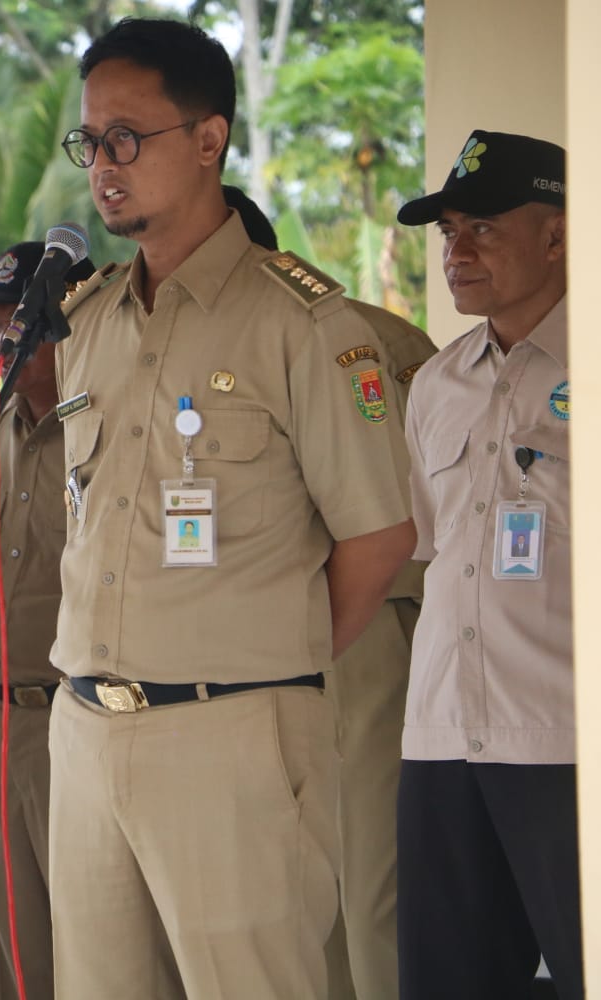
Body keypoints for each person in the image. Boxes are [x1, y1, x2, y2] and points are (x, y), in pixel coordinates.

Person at [48, 19, 415, 999]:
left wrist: (268, 658)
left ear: (208, 140)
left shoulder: (305, 325)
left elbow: (379, 535)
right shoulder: (83, 327)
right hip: (85, 728)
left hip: (234, 732)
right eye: (91, 140)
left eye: (129, 135)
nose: (104, 164)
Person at [225, 183, 437, 1000]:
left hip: (357, 622)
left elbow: (403, 516)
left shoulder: (352, 336)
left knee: (365, 875)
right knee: (285, 885)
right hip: (251, 645)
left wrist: (322, 633)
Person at [395, 130, 575, 999]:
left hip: (569, 739)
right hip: (441, 740)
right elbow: (430, 550)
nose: (457, 253)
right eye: (448, 232)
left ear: (559, 234)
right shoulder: (436, 384)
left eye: (484, 230)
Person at [0, 240, 93, 1000]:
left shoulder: (109, 423)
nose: (3, 342)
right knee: (16, 945)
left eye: (22, 325)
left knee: (101, 941)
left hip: (84, 711)